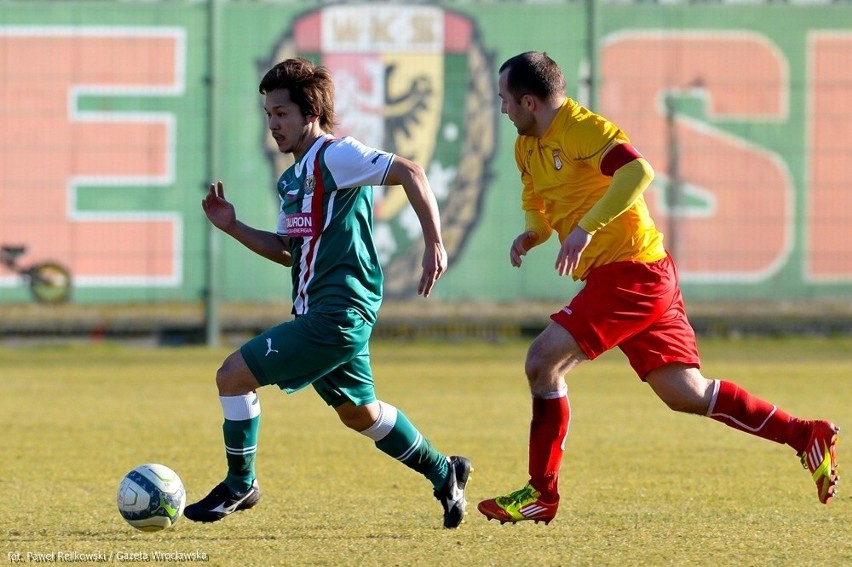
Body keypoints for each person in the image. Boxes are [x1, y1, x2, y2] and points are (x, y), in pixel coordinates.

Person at [477, 51, 839, 525]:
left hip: (631, 274)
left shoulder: (582, 127)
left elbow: (637, 172)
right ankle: (804, 434)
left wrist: (586, 228)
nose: (502, 109)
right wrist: (534, 233)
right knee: (685, 392)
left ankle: (541, 493)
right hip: (642, 274)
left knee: (542, 362)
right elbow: (536, 198)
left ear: (529, 100)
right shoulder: (527, 146)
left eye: (505, 100)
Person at [184, 57, 471, 529]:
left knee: (232, 375)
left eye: (282, 114)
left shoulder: (336, 156)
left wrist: (435, 244)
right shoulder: (292, 179)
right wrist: (232, 226)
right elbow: (287, 251)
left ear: (310, 114)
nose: (273, 125)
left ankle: (241, 484)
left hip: (338, 314)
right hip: (318, 313)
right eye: (268, 115)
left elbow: (413, 173)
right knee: (361, 414)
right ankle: (446, 472)